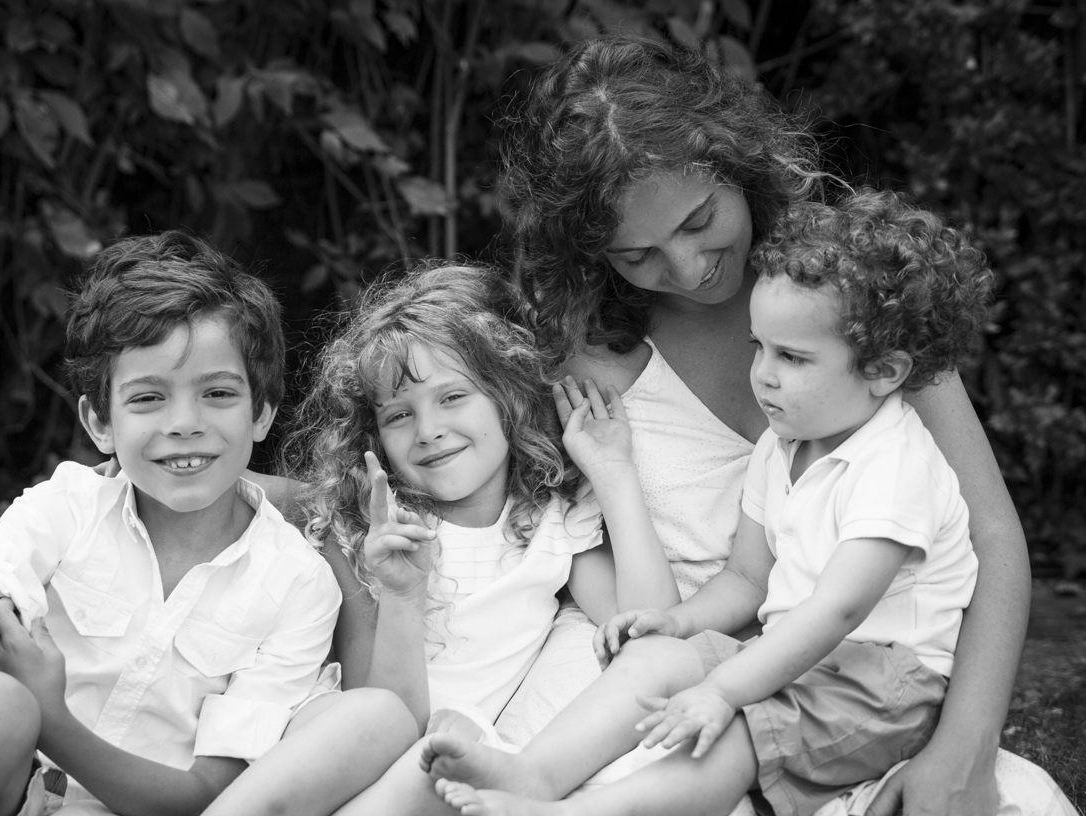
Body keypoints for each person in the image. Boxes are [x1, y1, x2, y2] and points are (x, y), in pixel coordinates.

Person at [484, 35, 1038, 816]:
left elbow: (993, 536)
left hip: (860, 684)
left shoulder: (855, 294)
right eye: (634, 254)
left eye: (699, 219)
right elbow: (549, 531)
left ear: (734, 164)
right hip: (684, 666)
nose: (685, 269)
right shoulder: (590, 353)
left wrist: (965, 748)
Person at [423, 189, 990, 816]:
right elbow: (748, 575)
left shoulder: (895, 466)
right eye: (759, 348)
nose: (765, 375)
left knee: (731, 733)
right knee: (656, 659)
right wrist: (680, 624)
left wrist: (723, 689)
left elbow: (836, 610)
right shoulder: (786, 446)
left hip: (884, 685)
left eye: (793, 358)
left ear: (884, 371)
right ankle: (533, 774)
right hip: (801, 661)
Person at [0, 231, 415, 816]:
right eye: (148, 398)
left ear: (262, 413)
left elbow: (207, 795)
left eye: (218, 393)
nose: (184, 423)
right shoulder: (68, 508)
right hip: (12, 796)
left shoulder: (297, 582)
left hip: (145, 807)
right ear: (100, 422)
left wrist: (53, 719)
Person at [207, 263, 682, 816]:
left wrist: (614, 473)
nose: (428, 429)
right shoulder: (369, 529)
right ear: (375, 438)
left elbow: (654, 630)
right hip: (345, 753)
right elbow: (377, 718)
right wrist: (403, 595)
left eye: (453, 397)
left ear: (508, 395)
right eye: (399, 415)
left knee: (447, 765)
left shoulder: (550, 523)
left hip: (441, 768)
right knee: (405, 744)